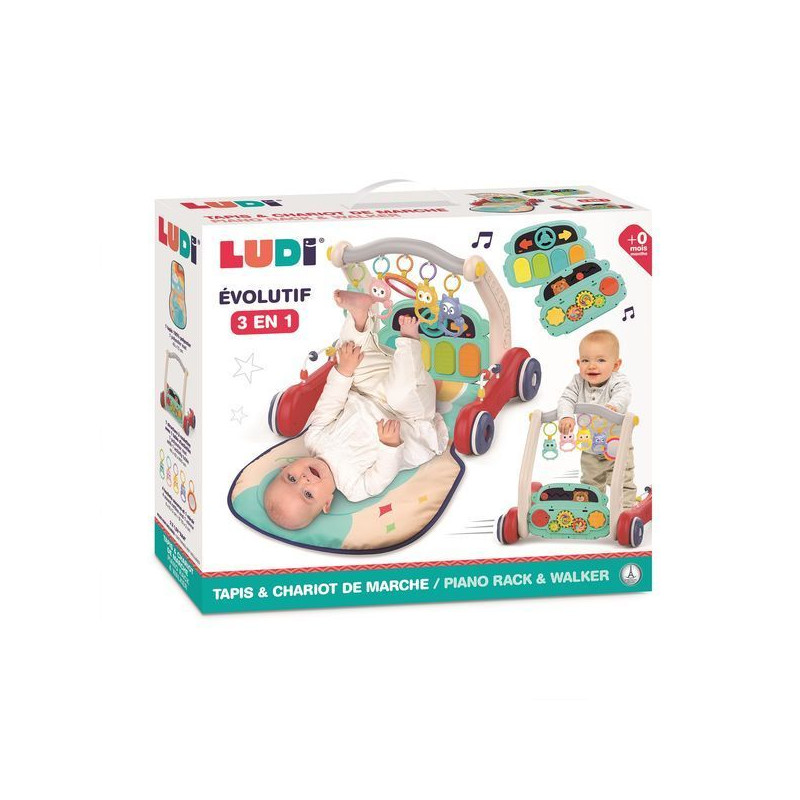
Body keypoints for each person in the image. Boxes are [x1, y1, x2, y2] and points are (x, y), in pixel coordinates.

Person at [263, 290, 448, 530]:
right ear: (327, 503)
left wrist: (345, 371)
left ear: (285, 467)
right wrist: (389, 445)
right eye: (308, 494)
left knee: (348, 355)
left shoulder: (314, 439)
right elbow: (382, 475)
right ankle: (409, 342)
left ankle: (360, 317)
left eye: (291, 478)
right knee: (401, 393)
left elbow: (330, 402)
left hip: (370, 389)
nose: (304, 480)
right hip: (409, 418)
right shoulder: (354, 489)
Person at [557, 329, 636, 506]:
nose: (592, 366)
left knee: (622, 480)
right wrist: (566, 416)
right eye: (586, 360)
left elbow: (623, 394)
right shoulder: (578, 382)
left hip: (617, 446)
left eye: (600, 360)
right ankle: (592, 509)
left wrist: (613, 406)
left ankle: (626, 509)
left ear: (615, 365)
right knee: (590, 483)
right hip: (590, 447)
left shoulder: (618, 381)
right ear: (578, 363)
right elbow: (566, 398)